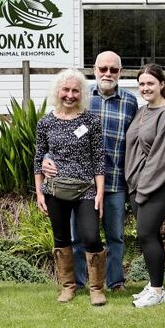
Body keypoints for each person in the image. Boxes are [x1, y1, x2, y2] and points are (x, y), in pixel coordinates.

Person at [42, 51, 136, 292]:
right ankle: (80, 282)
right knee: (78, 237)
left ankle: (115, 282)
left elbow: (135, 141)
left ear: (120, 72)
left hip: (114, 181)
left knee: (115, 236)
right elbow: (57, 136)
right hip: (80, 184)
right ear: (94, 69)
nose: (107, 74)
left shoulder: (130, 102)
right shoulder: (82, 95)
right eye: (103, 69)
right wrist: (47, 158)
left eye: (113, 70)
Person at [33, 69, 107, 305]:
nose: (70, 95)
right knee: (61, 238)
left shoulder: (91, 121)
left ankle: (96, 288)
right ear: (58, 91)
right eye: (66, 89)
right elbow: (38, 159)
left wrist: (100, 194)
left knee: (91, 237)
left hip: (86, 190)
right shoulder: (45, 122)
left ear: (82, 93)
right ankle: (68, 286)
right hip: (55, 190)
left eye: (75, 90)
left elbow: (98, 160)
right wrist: (39, 192)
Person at [125, 64, 165, 308]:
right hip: (136, 184)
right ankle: (154, 283)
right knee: (149, 237)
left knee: (146, 233)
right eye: (142, 84)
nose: (145, 88)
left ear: (161, 84)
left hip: (155, 187)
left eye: (150, 83)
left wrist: (144, 187)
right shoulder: (142, 111)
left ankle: (158, 291)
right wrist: (133, 182)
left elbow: (163, 155)